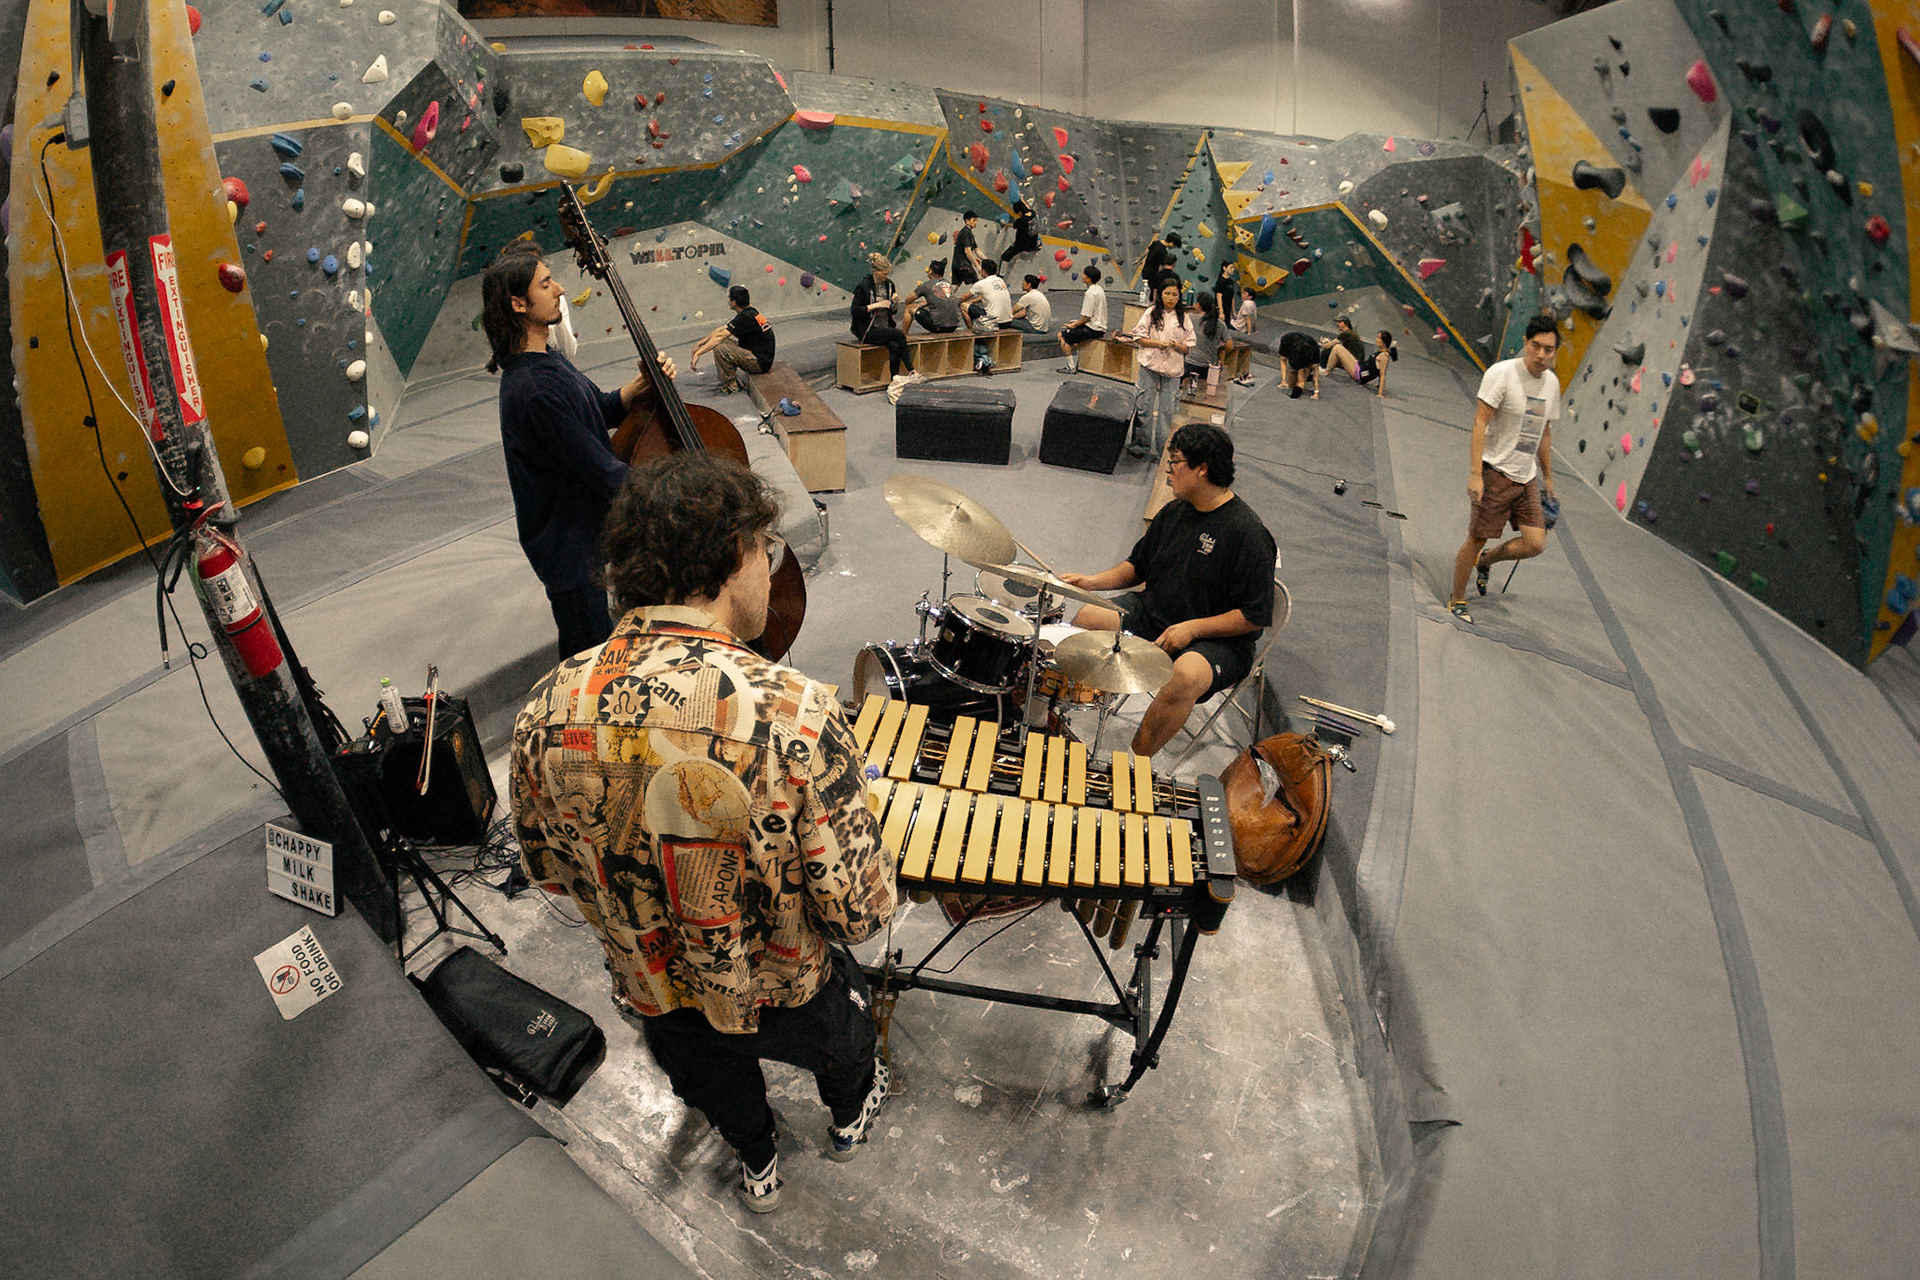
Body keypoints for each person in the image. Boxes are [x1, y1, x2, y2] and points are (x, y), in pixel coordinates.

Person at [512, 450, 899, 1214]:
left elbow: (553, 874)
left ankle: (757, 1158)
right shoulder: (796, 712)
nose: (768, 569)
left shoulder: (543, 706)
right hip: (786, 984)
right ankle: (849, 1118)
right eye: (766, 549)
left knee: (713, 1083)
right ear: (732, 556)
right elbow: (861, 913)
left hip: (656, 986)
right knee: (848, 1047)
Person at [484, 247, 676, 659]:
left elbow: (599, 409)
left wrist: (642, 386)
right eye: (546, 283)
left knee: (595, 646)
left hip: (585, 533)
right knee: (587, 656)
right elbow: (603, 470)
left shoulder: (547, 362)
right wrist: (682, 492)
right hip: (567, 547)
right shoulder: (533, 390)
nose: (560, 288)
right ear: (519, 304)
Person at [1060, 423, 1276, 758]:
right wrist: (1090, 583)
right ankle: (1060, 720)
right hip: (1155, 616)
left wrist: (1192, 629)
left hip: (1217, 642)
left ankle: (1132, 764)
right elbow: (1137, 567)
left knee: (1184, 676)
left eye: (1174, 463)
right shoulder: (1175, 510)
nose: (1167, 472)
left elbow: (1254, 616)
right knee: (1087, 617)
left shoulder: (1248, 534)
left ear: (1201, 468)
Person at [1446, 315, 1561, 624]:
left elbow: (1544, 433)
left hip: (1527, 477)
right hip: (1496, 472)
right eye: (1536, 346)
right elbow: (1480, 421)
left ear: (1555, 352)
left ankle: (1488, 561)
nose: (1541, 355)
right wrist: (1475, 473)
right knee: (1477, 537)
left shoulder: (1552, 384)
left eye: (1548, 349)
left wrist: (1548, 478)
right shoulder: (1502, 374)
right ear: (1525, 343)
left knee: (1535, 543)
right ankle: (1456, 598)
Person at [1124, 277, 1194, 457]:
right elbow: (1138, 337)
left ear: (1179, 296)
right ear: (1160, 295)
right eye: (1167, 294)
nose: (1170, 298)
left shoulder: (1184, 317)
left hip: (1172, 371)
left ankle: (1164, 450)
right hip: (1149, 367)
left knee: (1167, 412)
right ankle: (1140, 446)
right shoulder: (1151, 312)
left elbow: (1188, 347)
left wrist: (1177, 346)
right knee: (1144, 407)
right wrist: (1158, 343)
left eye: (1174, 294)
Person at [849, 253, 921, 398]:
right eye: (883, 273)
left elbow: (892, 311)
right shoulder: (863, 286)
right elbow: (855, 311)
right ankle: (911, 370)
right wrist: (875, 305)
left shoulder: (890, 285)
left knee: (894, 346)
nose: (885, 276)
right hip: (867, 330)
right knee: (900, 334)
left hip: (884, 327)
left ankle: (893, 380)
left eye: (887, 273)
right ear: (875, 271)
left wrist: (894, 303)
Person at [689, 285, 776, 395]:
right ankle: (731, 378)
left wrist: (698, 353)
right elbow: (722, 330)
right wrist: (702, 342)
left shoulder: (745, 317)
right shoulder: (749, 312)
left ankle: (731, 386)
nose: (728, 301)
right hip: (758, 355)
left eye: (729, 298)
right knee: (723, 342)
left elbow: (720, 337)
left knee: (721, 348)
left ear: (734, 302)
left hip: (759, 363)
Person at [957, 258, 1013, 372]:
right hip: (1007, 321)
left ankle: (972, 331)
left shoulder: (981, 283)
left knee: (963, 306)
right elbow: (983, 296)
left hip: (993, 323)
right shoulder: (1001, 281)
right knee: (972, 305)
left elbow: (963, 298)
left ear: (983, 271)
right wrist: (973, 302)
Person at [1057, 264, 1107, 373]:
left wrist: (1074, 324)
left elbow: (1086, 317)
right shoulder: (1099, 289)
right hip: (1100, 326)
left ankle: (1071, 367)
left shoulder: (1090, 293)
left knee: (1062, 336)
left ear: (1089, 278)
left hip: (1093, 328)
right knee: (1073, 337)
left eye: (1084, 274)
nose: (1082, 276)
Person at [902, 258, 963, 334]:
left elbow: (907, 300)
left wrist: (918, 304)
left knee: (909, 308)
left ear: (930, 271)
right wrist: (925, 302)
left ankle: (903, 336)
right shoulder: (948, 284)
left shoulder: (925, 285)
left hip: (938, 327)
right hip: (953, 327)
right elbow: (942, 298)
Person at [1182, 292, 1223, 396]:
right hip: (1208, 368)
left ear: (1198, 305)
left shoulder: (1189, 317)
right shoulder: (1219, 323)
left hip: (1188, 364)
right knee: (1203, 394)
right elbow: (1230, 345)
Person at [1138, 231, 1182, 302]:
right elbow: (1160, 266)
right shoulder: (1163, 252)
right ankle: (1153, 302)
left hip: (1145, 270)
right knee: (1153, 289)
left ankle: (1149, 301)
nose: (1173, 247)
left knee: (1148, 288)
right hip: (1153, 272)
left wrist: (1139, 259)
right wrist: (1160, 275)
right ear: (1172, 243)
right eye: (1174, 246)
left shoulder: (1156, 243)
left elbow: (1147, 251)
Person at [1276, 330, 1321, 399]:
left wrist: (1316, 391)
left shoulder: (1313, 348)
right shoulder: (1286, 341)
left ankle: (1303, 380)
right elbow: (1283, 360)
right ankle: (1301, 377)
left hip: (1306, 356)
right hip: (1294, 352)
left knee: (1302, 377)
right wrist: (1283, 381)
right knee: (1291, 384)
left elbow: (1316, 369)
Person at [1353, 329, 1398, 397]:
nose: (1376, 339)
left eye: (1379, 338)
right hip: (1360, 368)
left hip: (1360, 374)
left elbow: (1382, 374)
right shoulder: (1380, 352)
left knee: (1338, 348)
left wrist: (1380, 393)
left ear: (1384, 342)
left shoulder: (1384, 356)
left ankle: (1329, 371)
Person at [1000, 199, 1041, 272]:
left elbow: (1013, 225)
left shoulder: (1022, 220)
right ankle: (1014, 259)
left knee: (1004, 257)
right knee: (1015, 255)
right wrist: (1022, 199)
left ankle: (1003, 272)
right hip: (1033, 243)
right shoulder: (1033, 213)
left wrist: (1004, 224)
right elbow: (1027, 207)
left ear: (1020, 212)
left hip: (1022, 245)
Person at [952, 210, 984, 288]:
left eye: (976, 220)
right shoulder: (966, 233)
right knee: (977, 285)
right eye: (974, 220)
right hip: (963, 265)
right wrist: (977, 266)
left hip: (956, 264)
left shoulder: (968, 232)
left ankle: (945, 299)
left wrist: (986, 260)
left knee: (955, 285)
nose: (975, 222)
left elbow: (976, 249)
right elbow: (968, 252)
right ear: (967, 221)